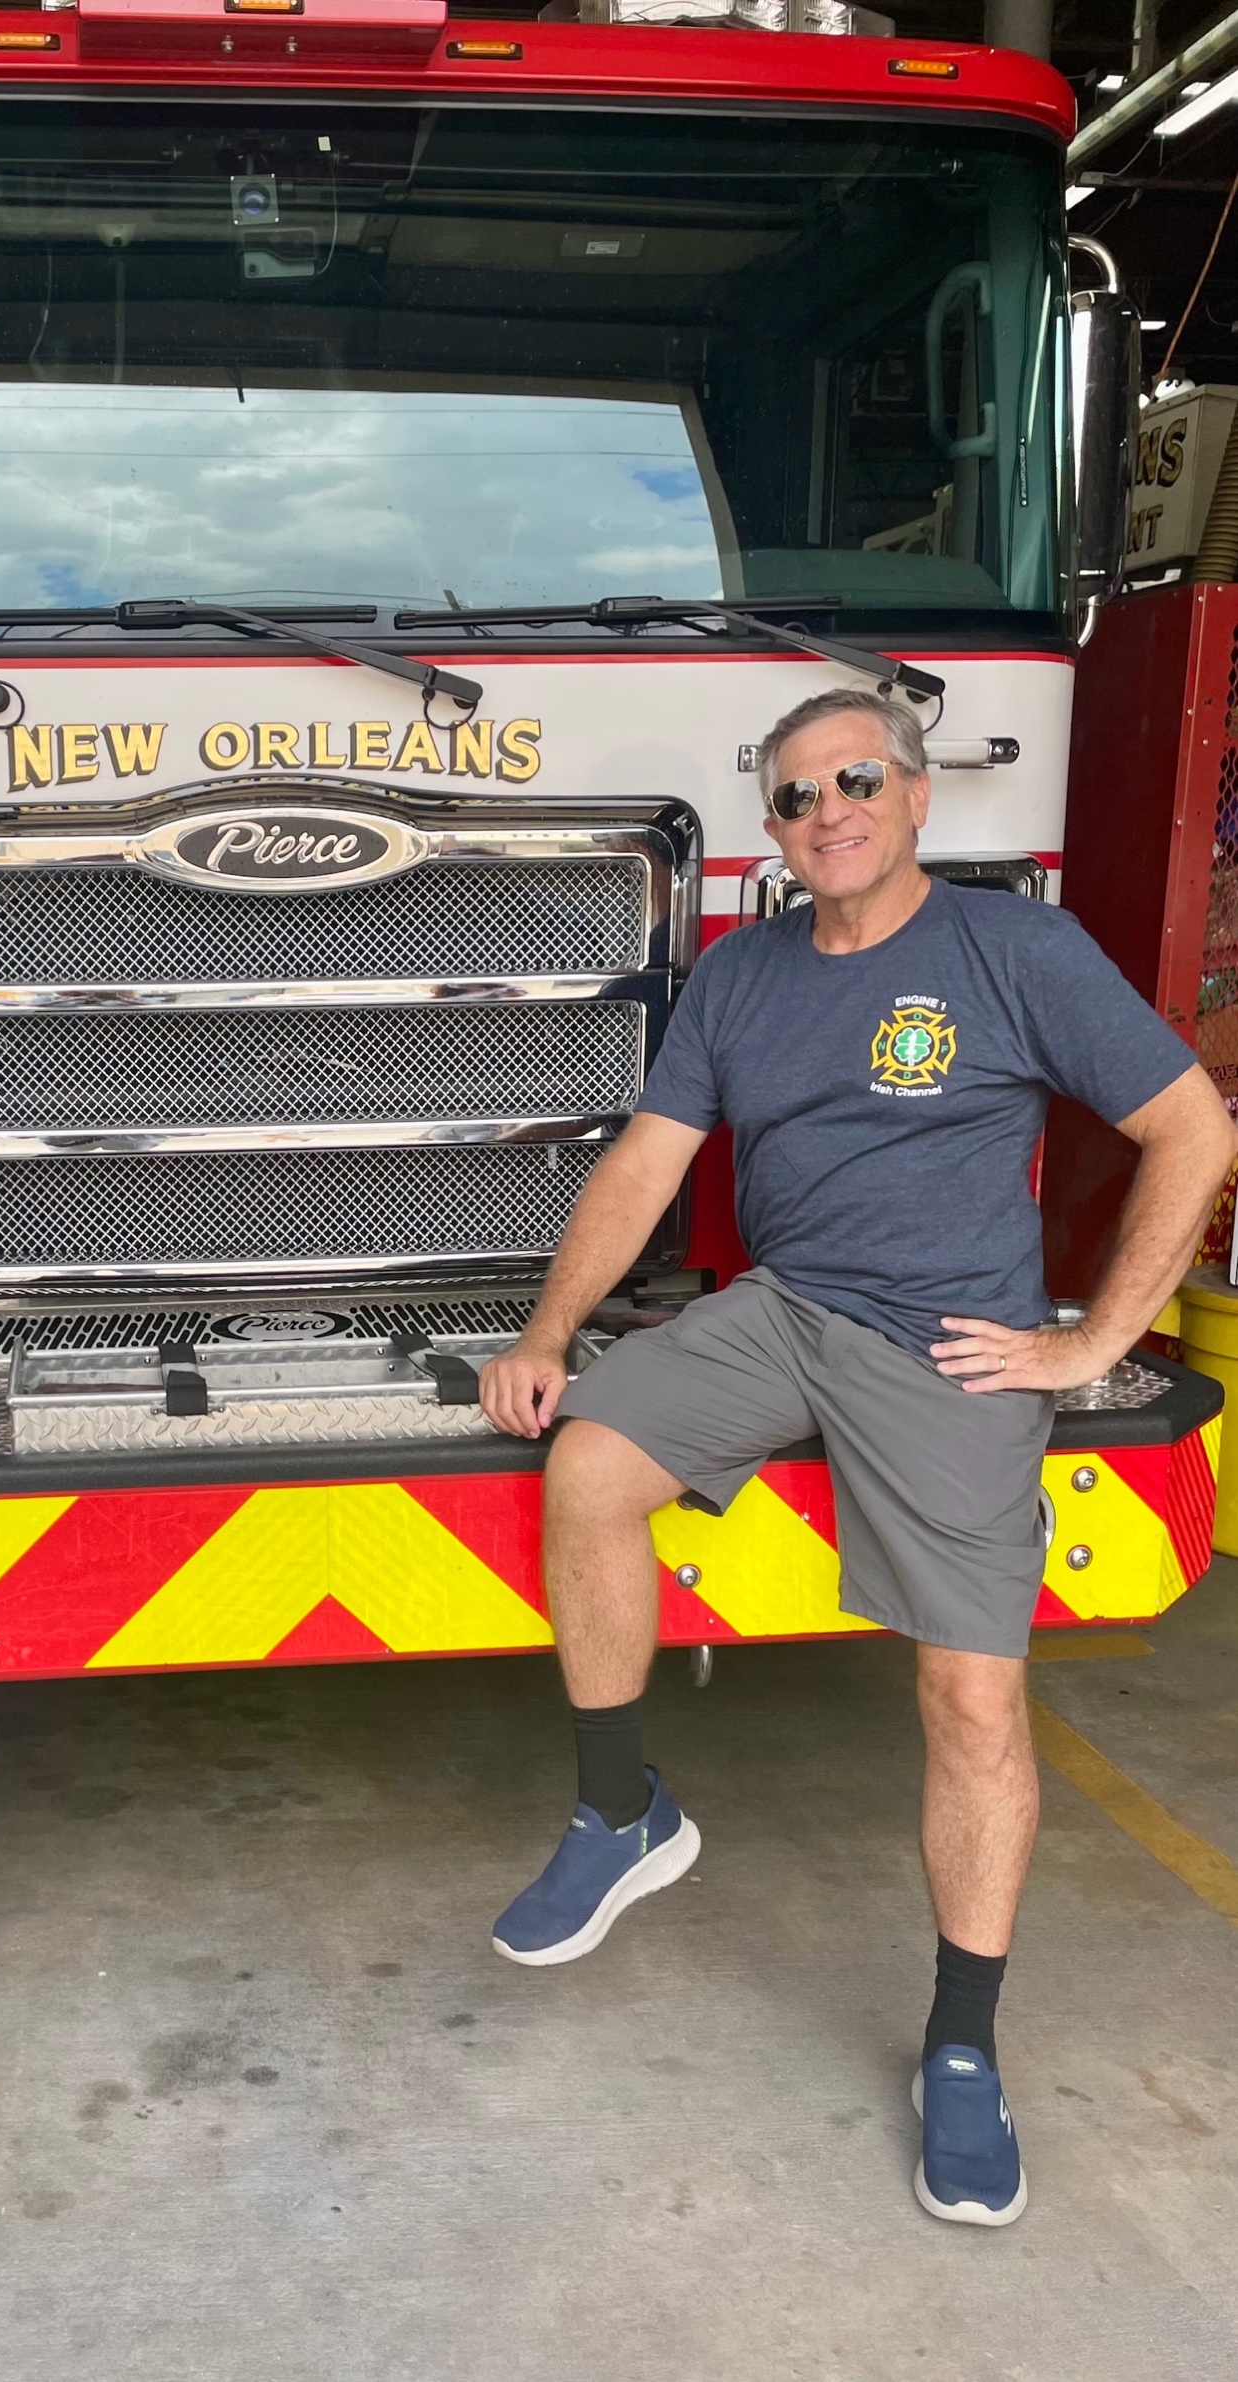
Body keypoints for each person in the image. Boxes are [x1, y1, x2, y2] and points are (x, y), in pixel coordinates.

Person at [479, 686, 1237, 2229]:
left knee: (971, 1696)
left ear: (915, 795)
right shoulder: (741, 975)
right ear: (772, 828)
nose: (828, 810)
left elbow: (1195, 1130)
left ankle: (961, 2045)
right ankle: (623, 1811)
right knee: (590, 1464)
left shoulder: (1014, 951)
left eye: (857, 780)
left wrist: (1090, 1341)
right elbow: (646, 1163)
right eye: (796, 794)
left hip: (951, 1342)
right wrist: (550, 1330)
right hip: (788, 1307)